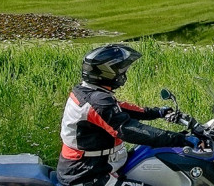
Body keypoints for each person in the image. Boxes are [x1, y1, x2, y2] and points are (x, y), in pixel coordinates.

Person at [56, 44, 193, 186]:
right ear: (106, 72)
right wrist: (180, 139)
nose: (122, 74)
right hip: (87, 175)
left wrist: (158, 112)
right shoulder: (97, 102)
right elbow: (131, 130)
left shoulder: (87, 92)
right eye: (120, 70)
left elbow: (120, 108)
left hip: (93, 166)